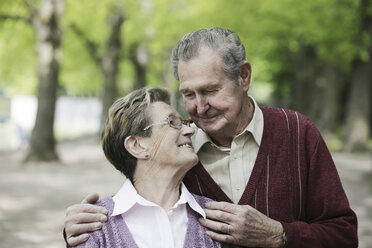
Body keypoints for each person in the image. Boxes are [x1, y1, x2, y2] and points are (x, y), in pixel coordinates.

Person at [64, 28, 358, 247]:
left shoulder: (297, 133)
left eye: (210, 91)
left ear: (243, 77)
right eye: (188, 94)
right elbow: (138, 206)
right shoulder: (179, 148)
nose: (199, 108)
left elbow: (344, 235)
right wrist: (81, 230)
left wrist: (277, 234)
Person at [71, 86, 222, 248]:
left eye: (183, 122)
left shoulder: (215, 218)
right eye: (173, 122)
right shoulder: (94, 226)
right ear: (137, 146)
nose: (189, 130)